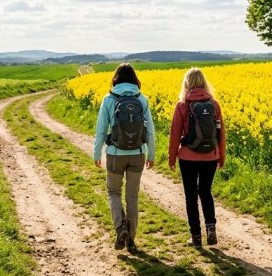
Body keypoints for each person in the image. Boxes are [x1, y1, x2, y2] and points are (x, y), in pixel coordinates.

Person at [93, 63, 155, 252]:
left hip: (114, 154)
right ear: (135, 79)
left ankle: (120, 229)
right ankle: (132, 239)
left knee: (113, 192)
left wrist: (97, 153)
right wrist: (151, 154)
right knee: (132, 196)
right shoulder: (141, 99)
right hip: (137, 153)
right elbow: (150, 131)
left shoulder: (109, 99)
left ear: (116, 78)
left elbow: (101, 130)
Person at [168, 67, 225, 247]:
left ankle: (196, 237)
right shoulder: (214, 104)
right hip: (210, 157)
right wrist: (221, 156)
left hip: (188, 158)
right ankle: (211, 229)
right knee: (206, 192)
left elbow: (175, 134)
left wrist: (171, 158)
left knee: (191, 196)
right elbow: (221, 133)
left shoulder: (182, 105)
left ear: (187, 83)